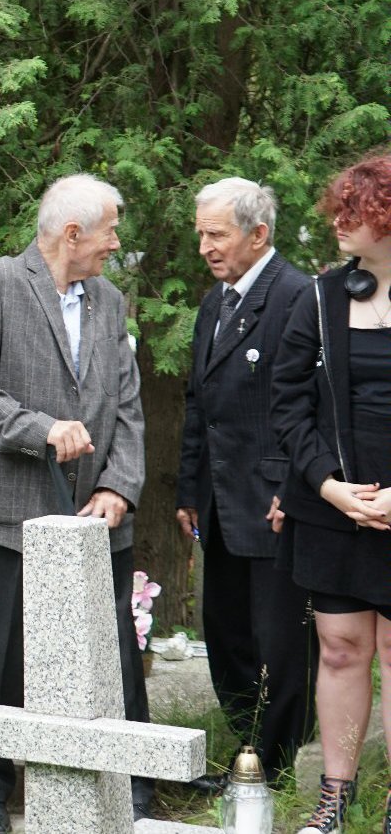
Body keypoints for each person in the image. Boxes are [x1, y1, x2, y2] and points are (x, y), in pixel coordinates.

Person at [0, 173, 151, 831]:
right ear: (72, 234)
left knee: (110, 649)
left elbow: (127, 404)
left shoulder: (109, 299)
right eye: (110, 231)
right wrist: (41, 429)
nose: (115, 243)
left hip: (95, 515)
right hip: (10, 509)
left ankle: (123, 779)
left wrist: (119, 485)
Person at [173, 178, 314, 789]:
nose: (204, 245)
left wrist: (296, 485)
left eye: (217, 234)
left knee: (279, 638)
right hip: (218, 501)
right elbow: (198, 404)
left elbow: (308, 405)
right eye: (200, 233)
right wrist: (187, 489)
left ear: (259, 235)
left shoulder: (297, 296)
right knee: (225, 631)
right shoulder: (216, 301)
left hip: (275, 500)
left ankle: (279, 763)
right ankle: (249, 745)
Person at [270, 153, 391, 833]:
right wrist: (328, 487)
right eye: (338, 208)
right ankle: (334, 797)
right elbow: (287, 405)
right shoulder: (317, 297)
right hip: (334, 500)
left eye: (356, 210)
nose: (339, 222)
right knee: (342, 646)